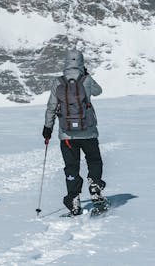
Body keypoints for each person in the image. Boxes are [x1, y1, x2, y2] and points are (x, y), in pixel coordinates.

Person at [42, 49, 106, 216]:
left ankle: (74, 200)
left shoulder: (58, 82)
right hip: (89, 132)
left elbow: (51, 107)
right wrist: (87, 75)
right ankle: (95, 185)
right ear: (81, 62)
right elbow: (99, 91)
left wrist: (47, 128)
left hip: (67, 135)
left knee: (71, 167)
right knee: (94, 160)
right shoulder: (87, 79)